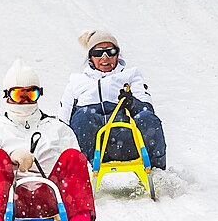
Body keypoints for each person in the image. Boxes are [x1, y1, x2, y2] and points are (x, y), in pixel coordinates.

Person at [0, 59, 98, 221]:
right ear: (7, 96)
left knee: (74, 157)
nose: (24, 101)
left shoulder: (56, 128)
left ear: (39, 94)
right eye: (18, 94)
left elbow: (79, 171)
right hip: (11, 200)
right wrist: (11, 159)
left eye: (30, 94)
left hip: (51, 198)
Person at [58, 29, 167, 169]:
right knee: (82, 116)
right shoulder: (77, 80)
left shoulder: (131, 75)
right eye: (98, 53)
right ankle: (81, 172)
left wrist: (132, 103)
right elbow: (63, 120)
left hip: (125, 138)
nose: (105, 58)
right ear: (90, 57)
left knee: (147, 118)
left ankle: (158, 172)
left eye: (110, 52)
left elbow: (148, 110)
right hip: (91, 139)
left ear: (117, 54)